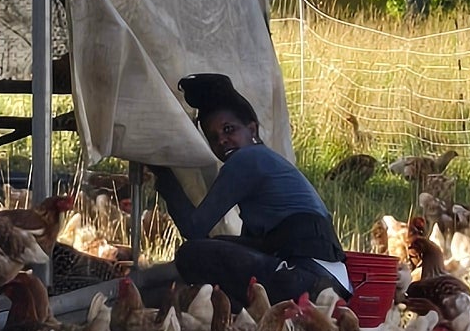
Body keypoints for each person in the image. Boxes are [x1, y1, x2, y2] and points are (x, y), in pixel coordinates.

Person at [143, 75, 350, 307]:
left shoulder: (247, 159)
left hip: (307, 277)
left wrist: (163, 175)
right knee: (220, 244)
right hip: (330, 280)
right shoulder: (265, 162)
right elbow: (251, 243)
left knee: (192, 253)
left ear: (252, 129)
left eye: (229, 129)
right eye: (213, 137)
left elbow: (194, 229)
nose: (222, 140)